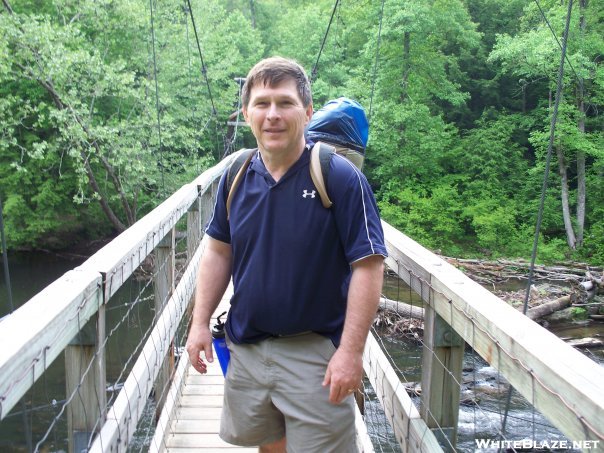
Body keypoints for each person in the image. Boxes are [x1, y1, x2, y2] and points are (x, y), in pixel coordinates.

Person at [186, 56, 387, 453]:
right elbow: (218, 251)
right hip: (247, 347)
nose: (272, 115)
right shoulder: (236, 175)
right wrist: (198, 323)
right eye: (261, 104)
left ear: (307, 112)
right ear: (247, 114)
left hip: (314, 354)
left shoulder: (340, 177)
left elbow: (369, 265)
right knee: (268, 445)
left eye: (285, 102)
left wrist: (350, 352)